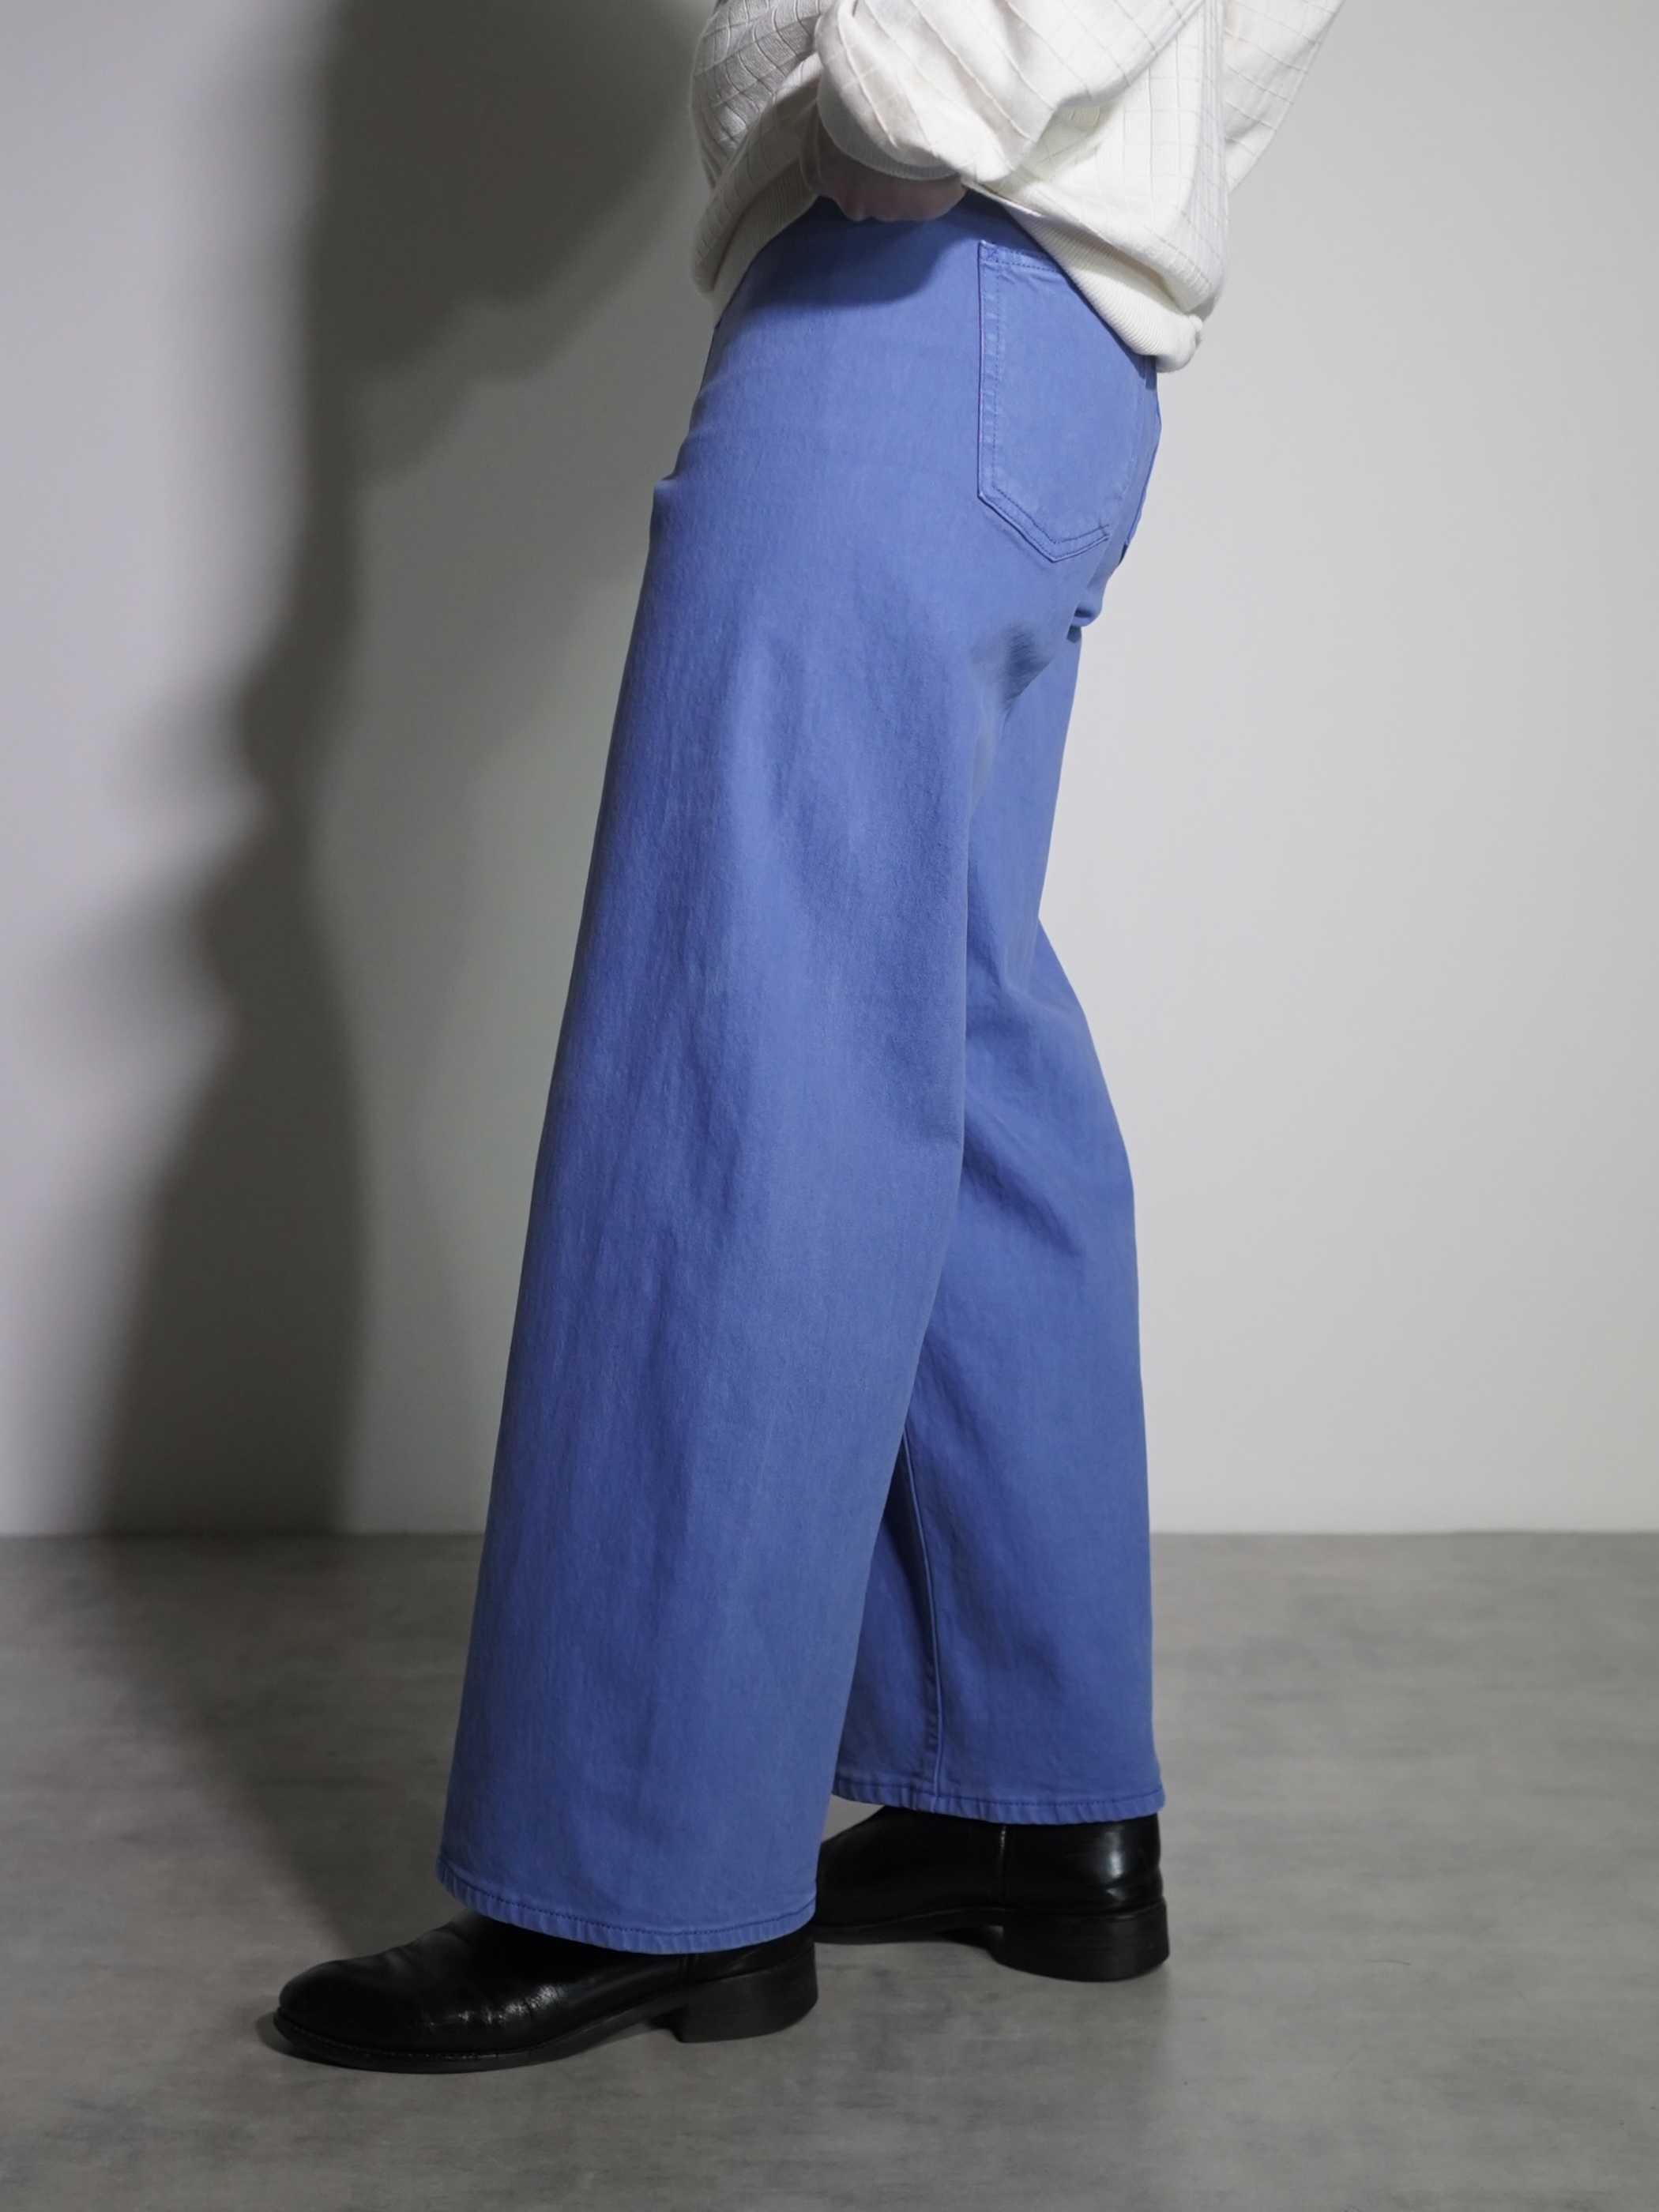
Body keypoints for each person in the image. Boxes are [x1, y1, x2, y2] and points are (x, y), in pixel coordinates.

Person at [273, 0, 1342, 2071]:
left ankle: (635, 1867)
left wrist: (899, 85)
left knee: (737, 1048)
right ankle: (1022, 1798)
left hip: (913, 299)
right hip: (1043, 341)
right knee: (948, 1026)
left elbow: (944, 69)